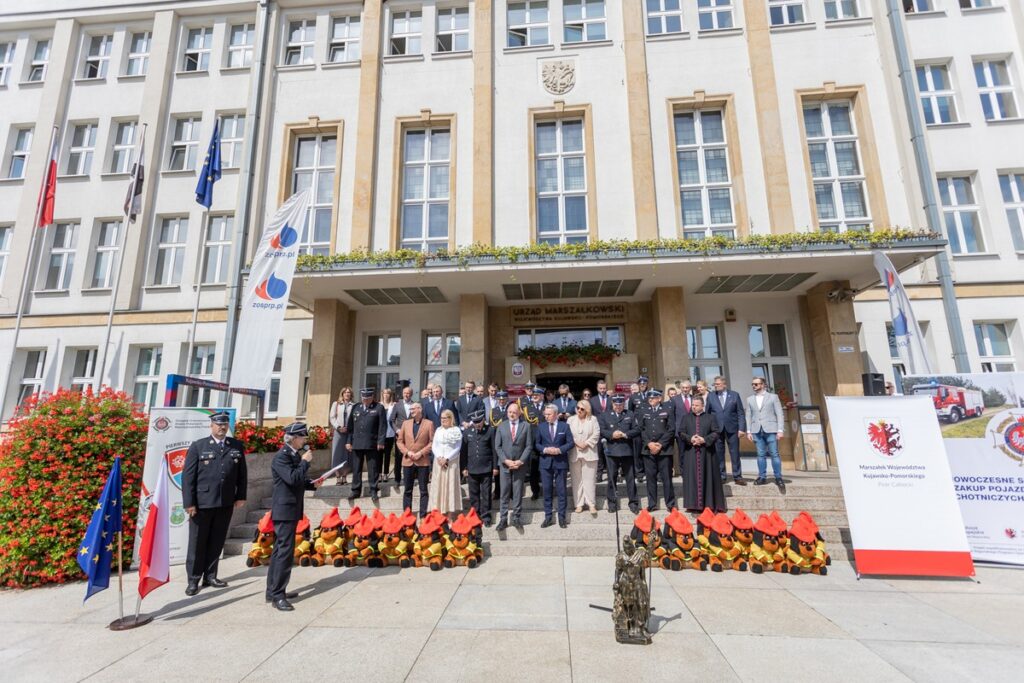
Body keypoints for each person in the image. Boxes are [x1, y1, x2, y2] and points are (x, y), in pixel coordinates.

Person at [181, 411, 247, 596]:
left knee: (217, 541)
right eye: (218, 424)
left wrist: (240, 496)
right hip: (202, 504)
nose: (222, 427)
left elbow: (242, 474)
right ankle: (193, 580)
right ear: (211, 425)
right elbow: (188, 478)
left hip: (225, 502)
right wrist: (190, 503)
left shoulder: (235, 446)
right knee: (197, 542)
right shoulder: (198, 446)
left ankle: (211, 576)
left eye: (225, 424)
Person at [266, 422, 319, 611]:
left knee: (280, 550)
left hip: (290, 508)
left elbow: (298, 480)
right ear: (294, 438)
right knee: (284, 552)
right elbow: (291, 478)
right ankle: (277, 595)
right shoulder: (282, 456)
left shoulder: (292, 455)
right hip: (284, 509)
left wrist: (312, 484)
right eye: (302, 437)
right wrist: (305, 462)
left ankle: (273, 590)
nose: (304, 441)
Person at [678, 397, 725, 512]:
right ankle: (693, 505)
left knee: (708, 476)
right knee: (692, 478)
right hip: (691, 453)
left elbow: (716, 432)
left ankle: (710, 504)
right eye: (692, 405)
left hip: (707, 453)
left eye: (696, 405)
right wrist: (691, 438)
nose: (693, 407)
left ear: (702, 405)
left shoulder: (710, 417)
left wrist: (704, 439)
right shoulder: (686, 417)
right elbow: (681, 432)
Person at [495, 402, 533, 532]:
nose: (512, 414)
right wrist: (505, 460)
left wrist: (520, 461)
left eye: (515, 412)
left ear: (519, 413)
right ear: (507, 413)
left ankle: (516, 518)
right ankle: (503, 519)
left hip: (519, 466)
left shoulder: (526, 426)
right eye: (510, 412)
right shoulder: (501, 426)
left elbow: (528, 446)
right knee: (504, 493)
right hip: (505, 465)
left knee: (517, 492)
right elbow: (498, 446)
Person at [345, 388, 387, 504]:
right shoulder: (356, 407)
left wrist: (381, 441)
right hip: (357, 443)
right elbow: (350, 427)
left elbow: (382, 426)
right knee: (356, 468)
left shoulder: (379, 408)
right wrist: (349, 441)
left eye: (367, 398)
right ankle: (355, 490)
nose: (365, 400)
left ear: (372, 397)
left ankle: (373, 490)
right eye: (363, 398)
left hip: (372, 443)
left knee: (372, 468)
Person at [600, 395, 640, 514]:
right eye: (616, 405)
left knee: (630, 478)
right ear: (612, 404)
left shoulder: (630, 414)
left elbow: (637, 429)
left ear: (624, 405)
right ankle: (612, 503)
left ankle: (633, 503)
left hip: (627, 451)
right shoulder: (605, 415)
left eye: (621, 405)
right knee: (612, 478)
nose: (618, 407)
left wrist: (625, 434)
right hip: (612, 451)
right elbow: (602, 430)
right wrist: (612, 434)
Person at [746, 377, 787, 491]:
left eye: (756, 384)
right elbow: (748, 415)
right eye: (753, 384)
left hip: (771, 429)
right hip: (757, 430)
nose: (754, 386)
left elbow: (779, 414)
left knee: (774, 453)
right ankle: (762, 477)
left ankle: (778, 477)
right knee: (760, 455)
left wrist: (780, 430)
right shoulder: (750, 399)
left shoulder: (773, 397)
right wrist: (748, 431)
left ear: (763, 384)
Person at [535, 404, 573, 528]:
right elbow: (537, 444)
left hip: (560, 462)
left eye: (549, 414)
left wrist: (559, 450)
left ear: (556, 414)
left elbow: (570, 443)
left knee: (561, 490)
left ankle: (562, 517)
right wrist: (545, 449)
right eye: (545, 414)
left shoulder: (565, 426)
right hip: (545, 463)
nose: (546, 417)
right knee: (547, 490)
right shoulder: (541, 427)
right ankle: (548, 517)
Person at [396, 402, 434, 519]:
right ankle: (407, 515)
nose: (411, 411)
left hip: (422, 461)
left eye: (413, 409)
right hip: (408, 461)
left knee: (423, 490)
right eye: (410, 409)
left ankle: (423, 516)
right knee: (407, 490)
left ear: (420, 409)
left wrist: (420, 453)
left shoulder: (429, 424)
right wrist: (408, 452)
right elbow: (399, 441)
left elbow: (432, 442)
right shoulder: (405, 424)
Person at [639, 390, 675, 512]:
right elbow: (642, 429)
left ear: (659, 398)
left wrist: (660, 444)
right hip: (648, 450)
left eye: (653, 397)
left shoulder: (667, 409)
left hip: (664, 450)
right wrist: (649, 443)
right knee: (650, 479)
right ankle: (652, 503)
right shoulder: (644, 411)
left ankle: (670, 504)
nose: (651, 399)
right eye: (649, 397)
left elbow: (671, 429)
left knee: (666, 478)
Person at [707, 375, 747, 485]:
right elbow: (708, 414)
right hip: (716, 429)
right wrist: (708, 430)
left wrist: (742, 428)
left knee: (735, 453)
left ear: (724, 384)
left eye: (718, 384)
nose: (716, 386)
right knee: (719, 453)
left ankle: (737, 476)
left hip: (732, 429)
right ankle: (721, 476)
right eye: (715, 384)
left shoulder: (734, 395)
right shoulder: (711, 396)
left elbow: (740, 413)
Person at [462, 410, 498, 526]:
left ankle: (486, 516)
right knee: (473, 494)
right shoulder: (468, 431)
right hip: (472, 467)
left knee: (486, 493)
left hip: (486, 467)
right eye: (475, 422)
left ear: (483, 420)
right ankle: (475, 515)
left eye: (479, 421)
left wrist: (495, 467)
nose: (477, 424)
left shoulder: (490, 431)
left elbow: (494, 450)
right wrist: (464, 467)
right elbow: (464, 451)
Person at [568, 399, 600, 515]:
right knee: (576, 480)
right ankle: (579, 504)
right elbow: (568, 435)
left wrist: (586, 443)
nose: (579, 410)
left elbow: (596, 434)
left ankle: (591, 504)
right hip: (575, 453)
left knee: (590, 480)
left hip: (589, 453)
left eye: (582, 409)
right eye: (578, 408)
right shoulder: (570, 420)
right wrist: (577, 443)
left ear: (587, 410)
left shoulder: (593, 419)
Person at [428, 409, 463, 515]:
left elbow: (457, 447)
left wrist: (447, 458)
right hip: (438, 462)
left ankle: (449, 515)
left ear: (450, 418)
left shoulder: (456, 430)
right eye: (441, 418)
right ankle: (437, 513)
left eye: (445, 418)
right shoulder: (438, 430)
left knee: (449, 488)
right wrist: (439, 457)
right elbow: (434, 445)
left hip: (451, 463)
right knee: (438, 487)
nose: (442, 420)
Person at [521, 387, 546, 500]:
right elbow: (524, 426)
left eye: (537, 394)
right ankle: (535, 491)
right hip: (532, 442)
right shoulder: (527, 409)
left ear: (542, 396)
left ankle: (547, 489)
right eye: (533, 394)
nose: (534, 396)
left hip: (546, 442)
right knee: (533, 469)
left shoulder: (548, 407)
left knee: (546, 468)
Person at [329, 387, 354, 484]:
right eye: (345, 392)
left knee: (347, 455)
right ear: (342, 394)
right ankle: (338, 477)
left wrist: (350, 428)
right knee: (336, 455)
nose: (347, 394)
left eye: (349, 393)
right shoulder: (336, 404)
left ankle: (344, 476)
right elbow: (332, 417)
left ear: (351, 394)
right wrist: (338, 427)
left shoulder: (354, 405)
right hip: (338, 433)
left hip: (349, 433)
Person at [589, 379, 612, 484]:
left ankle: (611, 473)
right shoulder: (592, 400)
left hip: (609, 429)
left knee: (610, 451)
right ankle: (599, 474)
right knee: (598, 452)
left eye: (604, 388)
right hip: (597, 430)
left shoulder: (611, 399)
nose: (603, 390)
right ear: (597, 389)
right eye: (600, 388)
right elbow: (590, 416)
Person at [628, 376, 649, 484]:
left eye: (644, 384)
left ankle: (648, 471)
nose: (642, 385)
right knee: (637, 451)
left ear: (647, 384)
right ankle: (639, 473)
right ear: (638, 385)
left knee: (648, 450)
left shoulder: (651, 395)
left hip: (649, 427)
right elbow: (630, 412)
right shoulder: (633, 397)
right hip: (638, 428)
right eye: (640, 384)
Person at [380, 387, 398, 486]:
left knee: (387, 455)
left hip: (390, 433)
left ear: (390, 395)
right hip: (380, 434)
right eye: (384, 393)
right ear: (382, 395)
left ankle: (386, 473)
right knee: (379, 455)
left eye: (388, 394)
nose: (386, 395)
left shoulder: (394, 405)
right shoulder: (378, 405)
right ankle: (379, 474)